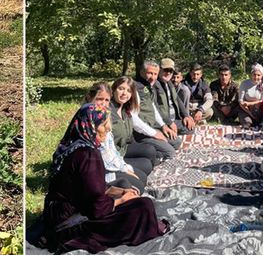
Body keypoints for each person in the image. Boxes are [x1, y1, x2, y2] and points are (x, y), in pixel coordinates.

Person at [41, 103, 169, 253]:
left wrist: (119, 191)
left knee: (130, 193)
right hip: (69, 224)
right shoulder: (88, 155)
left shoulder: (73, 146)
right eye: (103, 124)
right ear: (90, 126)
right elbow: (97, 208)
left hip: (56, 214)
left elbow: (89, 187)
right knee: (143, 206)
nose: (108, 128)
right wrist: (123, 199)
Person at [84, 82, 148, 194]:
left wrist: (125, 168)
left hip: (113, 161)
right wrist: (123, 170)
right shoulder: (87, 118)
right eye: (99, 99)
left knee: (141, 176)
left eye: (107, 100)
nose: (103, 103)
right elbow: (102, 157)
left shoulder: (105, 116)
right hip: (98, 171)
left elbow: (111, 149)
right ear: (90, 97)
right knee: (137, 185)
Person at [109, 77, 161, 176]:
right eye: (121, 89)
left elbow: (129, 137)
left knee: (150, 150)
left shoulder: (126, 110)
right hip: (113, 155)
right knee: (146, 165)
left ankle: (141, 171)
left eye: (128, 90)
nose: (125, 93)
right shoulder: (109, 112)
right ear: (114, 90)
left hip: (123, 148)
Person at [134, 61, 182, 161]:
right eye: (150, 73)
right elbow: (134, 119)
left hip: (153, 127)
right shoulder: (135, 88)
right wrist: (154, 134)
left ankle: (156, 147)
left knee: (176, 142)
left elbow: (153, 107)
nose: (153, 77)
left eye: (155, 74)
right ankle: (146, 152)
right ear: (142, 72)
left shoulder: (148, 86)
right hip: (141, 132)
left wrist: (163, 125)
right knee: (170, 153)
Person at [157, 58, 195, 134]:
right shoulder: (155, 85)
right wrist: (169, 122)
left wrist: (185, 115)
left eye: (170, 71)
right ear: (159, 70)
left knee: (190, 128)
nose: (168, 73)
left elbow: (177, 99)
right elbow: (157, 108)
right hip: (163, 121)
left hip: (175, 119)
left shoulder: (169, 83)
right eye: (165, 70)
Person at [238, 63, 263, 127]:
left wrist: (250, 103)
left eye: (258, 75)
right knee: (247, 124)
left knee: (262, 124)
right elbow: (240, 101)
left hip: (260, 110)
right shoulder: (244, 84)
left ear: (262, 76)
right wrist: (250, 113)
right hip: (246, 109)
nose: (256, 77)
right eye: (254, 75)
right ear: (251, 74)